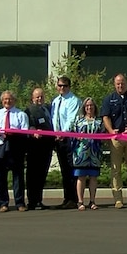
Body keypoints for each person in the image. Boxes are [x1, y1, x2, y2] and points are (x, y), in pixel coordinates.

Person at [100, 73, 127, 209]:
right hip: (115, 138)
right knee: (116, 169)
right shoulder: (109, 99)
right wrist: (111, 131)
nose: (120, 85)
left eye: (122, 83)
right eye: (118, 83)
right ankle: (118, 199)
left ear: (126, 83)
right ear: (114, 84)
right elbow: (105, 117)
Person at [0, 90, 30, 212]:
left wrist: (13, 132)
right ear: (2, 101)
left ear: (14, 101)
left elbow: (25, 132)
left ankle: (20, 202)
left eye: (10, 99)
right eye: (5, 99)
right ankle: (3, 203)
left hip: (15, 146)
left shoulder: (21, 114)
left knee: (18, 176)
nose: (7, 101)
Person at [51, 76, 81, 209]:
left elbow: (71, 119)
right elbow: (53, 119)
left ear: (69, 86)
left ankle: (74, 199)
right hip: (57, 139)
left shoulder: (73, 100)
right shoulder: (55, 101)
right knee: (64, 170)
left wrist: (62, 133)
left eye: (64, 86)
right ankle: (67, 198)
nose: (62, 88)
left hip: (68, 138)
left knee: (71, 168)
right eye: (60, 85)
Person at [24, 87, 55, 210]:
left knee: (42, 175)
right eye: (37, 97)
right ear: (32, 98)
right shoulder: (29, 110)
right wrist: (34, 131)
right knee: (33, 175)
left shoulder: (47, 109)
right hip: (35, 147)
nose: (39, 99)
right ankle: (32, 201)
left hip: (47, 147)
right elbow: (28, 126)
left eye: (41, 96)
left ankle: (39, 200)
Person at [72, 98, 102, 211]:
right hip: (81, 153)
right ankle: (80, 201)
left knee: (93, 177)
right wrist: (76, 137)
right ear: (84, 108)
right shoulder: (78, 121)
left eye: (91, 105)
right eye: (87, 106)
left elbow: (103, 134)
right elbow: (71, 133)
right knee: (81, 176)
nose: (89, 108)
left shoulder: (99, 121)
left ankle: (92, 201)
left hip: (94, 153)